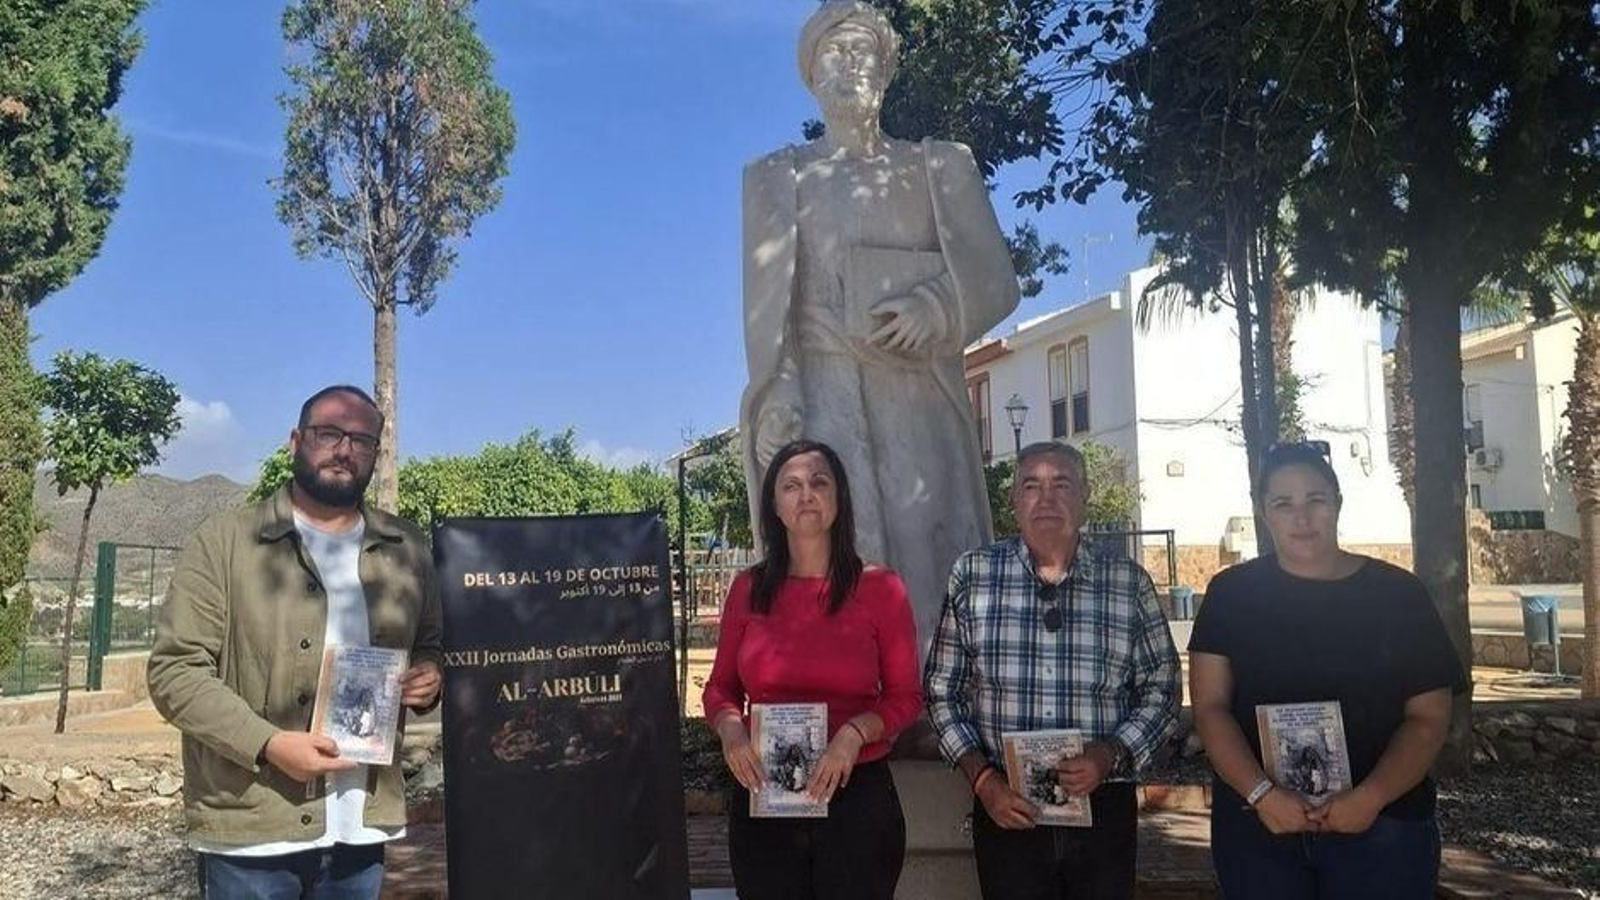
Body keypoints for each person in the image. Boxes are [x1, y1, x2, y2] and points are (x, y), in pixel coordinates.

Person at [739, 0, 1021, 661]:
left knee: (930, 555)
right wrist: (779, 391)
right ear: (811, 74)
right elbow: (769, 314)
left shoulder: (938, 166)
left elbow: (995, 281)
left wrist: (938, 307)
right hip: (823, 395)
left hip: (919, 397)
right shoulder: (777, 178)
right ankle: (837, 694)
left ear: (887, 69)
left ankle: (937, 697)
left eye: (862, 51)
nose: (849, 65)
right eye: (833, 53)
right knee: (834, 556)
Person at [148, 385, 444, 899]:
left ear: (376, 454)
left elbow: (432, 644)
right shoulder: (224, 543)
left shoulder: (407, 547)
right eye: (328, 433)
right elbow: (174, 671)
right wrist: (268, 745)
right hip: (253, 831)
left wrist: (430, 675)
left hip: (361, 828)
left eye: (362, 440)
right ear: (295, 441)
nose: (344, 450)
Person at [1188, 441, 1466, 899]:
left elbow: (1429, 717)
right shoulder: (1230, 595)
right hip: (1261, 829)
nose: (1301, 518)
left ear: (1337, 503)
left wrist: (1371, 798)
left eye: (1315, 499)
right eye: (1283, 503)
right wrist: (1262, 795)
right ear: (1264, 513)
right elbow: (1210, 708)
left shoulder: (1399, 596)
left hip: (1382, 828)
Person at [924, 440, 1182, 899]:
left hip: (1103, 805)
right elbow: (943, 690)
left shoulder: (1127, 582)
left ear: (1084, 496)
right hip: (1005, 802)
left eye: (1061, 485)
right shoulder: (973, 576)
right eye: (1031, 486)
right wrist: (983, 781)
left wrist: (1109, 754)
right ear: (1013, 500)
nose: (1046, 499)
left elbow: (1162, 688)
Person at [702, 439, 923, 899]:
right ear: (774, 506)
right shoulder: (747, 589)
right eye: (791, 486)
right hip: (765, 796)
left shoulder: (882, 589)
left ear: (839, 499)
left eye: (819, 483)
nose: (806, 495)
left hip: (856, 798)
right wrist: (731, 730)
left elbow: (905, 697)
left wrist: (854, 734)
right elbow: (720, 687)